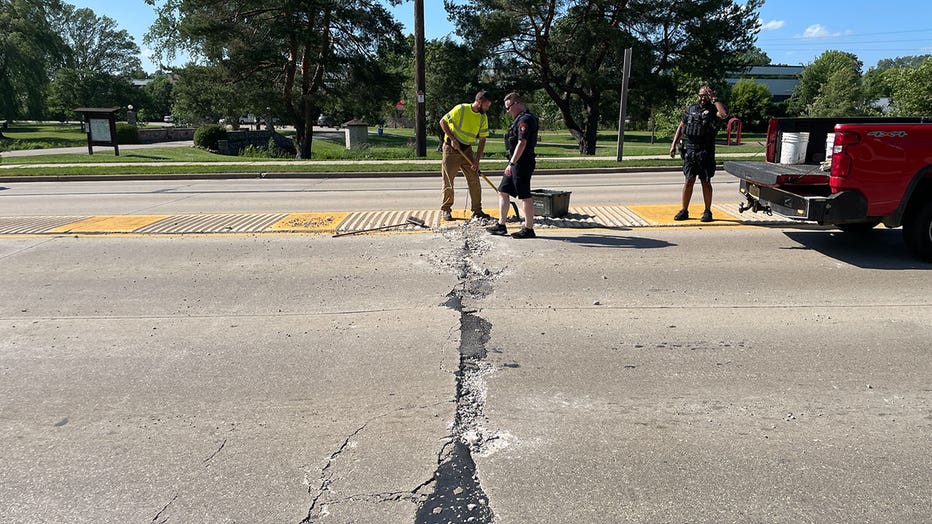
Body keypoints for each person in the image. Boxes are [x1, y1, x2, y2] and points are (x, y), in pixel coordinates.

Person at [669, 84, 729, 222]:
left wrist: (714, 99)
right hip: (690, 149)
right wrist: (673, 145)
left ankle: (707, 211)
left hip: (706, 150)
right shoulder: (691, 108)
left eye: (706, 95)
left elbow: (724, 115)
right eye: (701, 95)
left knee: (705, 181)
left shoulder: (714, 108)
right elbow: (681, 126)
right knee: (688, 180)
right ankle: (684, 210)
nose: (703, 98)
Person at [486, 92, 539, 239]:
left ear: (517, 103)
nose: (508, 111)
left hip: (522, 162)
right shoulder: (518, 120)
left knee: (524, 195)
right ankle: (501, 225)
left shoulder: (525, 119)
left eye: (509, 107)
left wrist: (512, 163)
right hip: (515, 162)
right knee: (503, 191)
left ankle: (528, 228)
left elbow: (522, 143)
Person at [439, 91, 493, 222]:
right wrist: (453, 139)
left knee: (474, 179)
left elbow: (482, 140)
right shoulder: (461, 109)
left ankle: (477, 210)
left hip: (467, 150)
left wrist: (477, 161)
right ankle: (446, 209)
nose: (487, 108)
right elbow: (443, 122)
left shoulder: (483, 117)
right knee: (448, 181)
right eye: (486, 105)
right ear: (479, 102)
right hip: (451, 149)